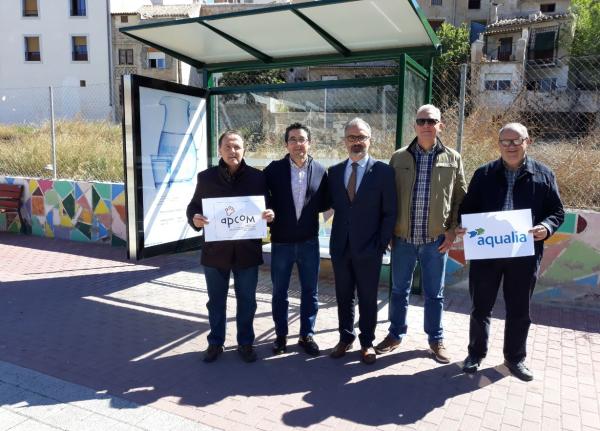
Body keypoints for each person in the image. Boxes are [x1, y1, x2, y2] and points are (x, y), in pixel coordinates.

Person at [457, 122, 564, 381]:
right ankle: (475, 354)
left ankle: (515, 359)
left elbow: (557, 212)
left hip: (524, 255)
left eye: (516, 141)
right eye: (505, 141)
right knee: (480, 307)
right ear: (499, 145)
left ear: (528, 142)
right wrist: (464, 224)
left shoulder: (544, 174)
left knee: (519, 310)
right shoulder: (484, 173)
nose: (511, 146)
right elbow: (468, 208)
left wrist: (546, 227)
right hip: (487, 253)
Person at [375, 104, 466, 364]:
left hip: (435, 241)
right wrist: (388, 232)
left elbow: (461, 197)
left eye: (432, 121)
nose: (426, 125)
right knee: (398, 291)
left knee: (434, 294)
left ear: (440, 125)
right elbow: (387, 197)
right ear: (414, 125)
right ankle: (395, 335)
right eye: (422, 121)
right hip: (402, 239)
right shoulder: (399, 157)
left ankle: (436, 339)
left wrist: (452, 231)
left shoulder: (453, 158)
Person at [186, 130, 275, 364]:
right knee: (216, 301)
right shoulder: (206, 178)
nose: (232, 151)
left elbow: (268, 206)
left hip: (247, 251)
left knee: (247, 300)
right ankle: (216, 342)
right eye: (227, 146)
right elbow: (193, 207)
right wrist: (195, 219)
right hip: (215, 252)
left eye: (237, 147)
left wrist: (270, 214)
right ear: (219, 150)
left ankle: (245, 343)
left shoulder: (257, 177)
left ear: (244, 149)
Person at [327, 118, 397, 365]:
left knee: (368, 298)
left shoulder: (384, 172)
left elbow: (390, 212)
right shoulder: (335, 172)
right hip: (340, 246)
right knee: (343, 295)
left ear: (370, 140)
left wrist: (380, 244)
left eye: (361, 137)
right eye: (352, 137)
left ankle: (367, 342)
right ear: (345, 140)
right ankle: (345, 338)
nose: (356, 142)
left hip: (369, 248)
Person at [264, 123, 330, 356]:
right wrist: (268, 212)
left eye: (302, 139)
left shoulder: (320, 170)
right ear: (286, 144)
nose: (297, 144)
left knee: (310, 292)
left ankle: (306, 335)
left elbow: (325, 202)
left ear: (309, 143)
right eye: (292, 139)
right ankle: (281, 336)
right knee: (279, 292)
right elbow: (262, 198)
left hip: (309, 242)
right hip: (281, 242)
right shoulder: (273, 170)